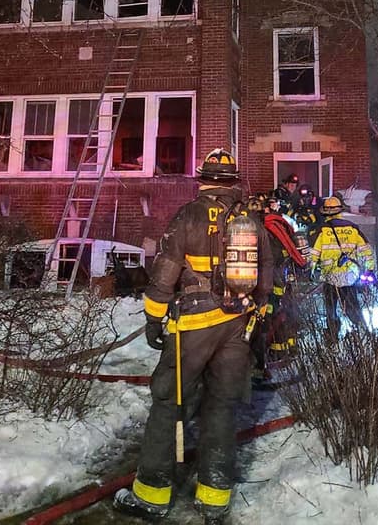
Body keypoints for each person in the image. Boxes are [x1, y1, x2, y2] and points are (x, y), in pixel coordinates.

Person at [113, 149, 273, 524]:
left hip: (193, 327)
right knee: (221, 406)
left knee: (169, 404)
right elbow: (266, 275)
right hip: (238, 325)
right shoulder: (251, 219)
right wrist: (254, 319)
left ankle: (151, 494)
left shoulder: (189, 214)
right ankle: (215, 498)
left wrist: (154, 319)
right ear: (233, 181)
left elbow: (166, 271)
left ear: (202, 179)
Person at [308, 195, 376, 345]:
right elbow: (366, 250)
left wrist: (310, 271)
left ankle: (332, 338)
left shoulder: (321, 230)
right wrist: (370, 270)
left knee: (331, 311)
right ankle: (362, 335)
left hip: (330, 278)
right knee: (353, 309)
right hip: (350, 278)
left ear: (325, 212)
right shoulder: (352, 228)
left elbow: (313, 254)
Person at [257, 197, 309, 366]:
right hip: (284, 277)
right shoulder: (282, 224)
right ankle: (287, 349)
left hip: (273, 280)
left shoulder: (266, 226)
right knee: (287, 312)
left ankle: (272, 354)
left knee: (272, 315)